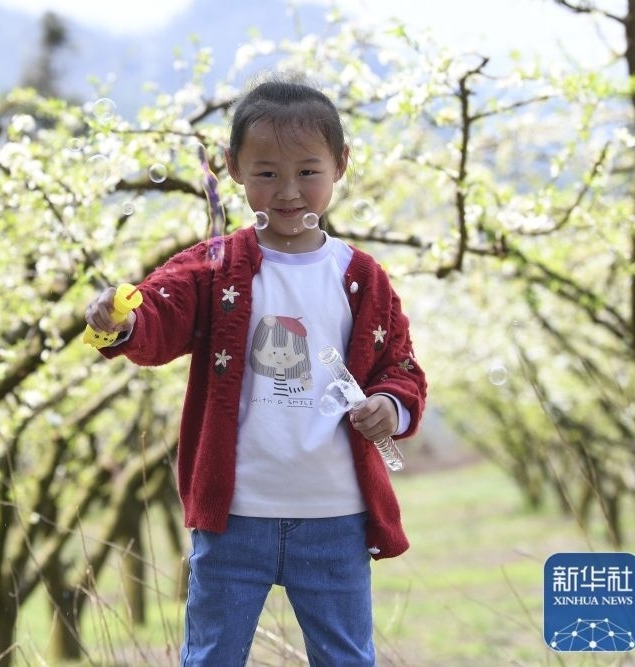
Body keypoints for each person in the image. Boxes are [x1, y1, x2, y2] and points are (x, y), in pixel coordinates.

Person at [84, 72, 427, 666]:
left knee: (346, 658)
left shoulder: (359, 277)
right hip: (234, 514)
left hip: (336, 514)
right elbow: (159, 317)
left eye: (308, 171)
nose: (288, 191)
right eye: (267, 173)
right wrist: (121, 321)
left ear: (341, 165)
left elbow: (400, 366)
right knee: (211, 656)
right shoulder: (214, 268)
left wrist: (390, 408)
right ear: (234, 168)